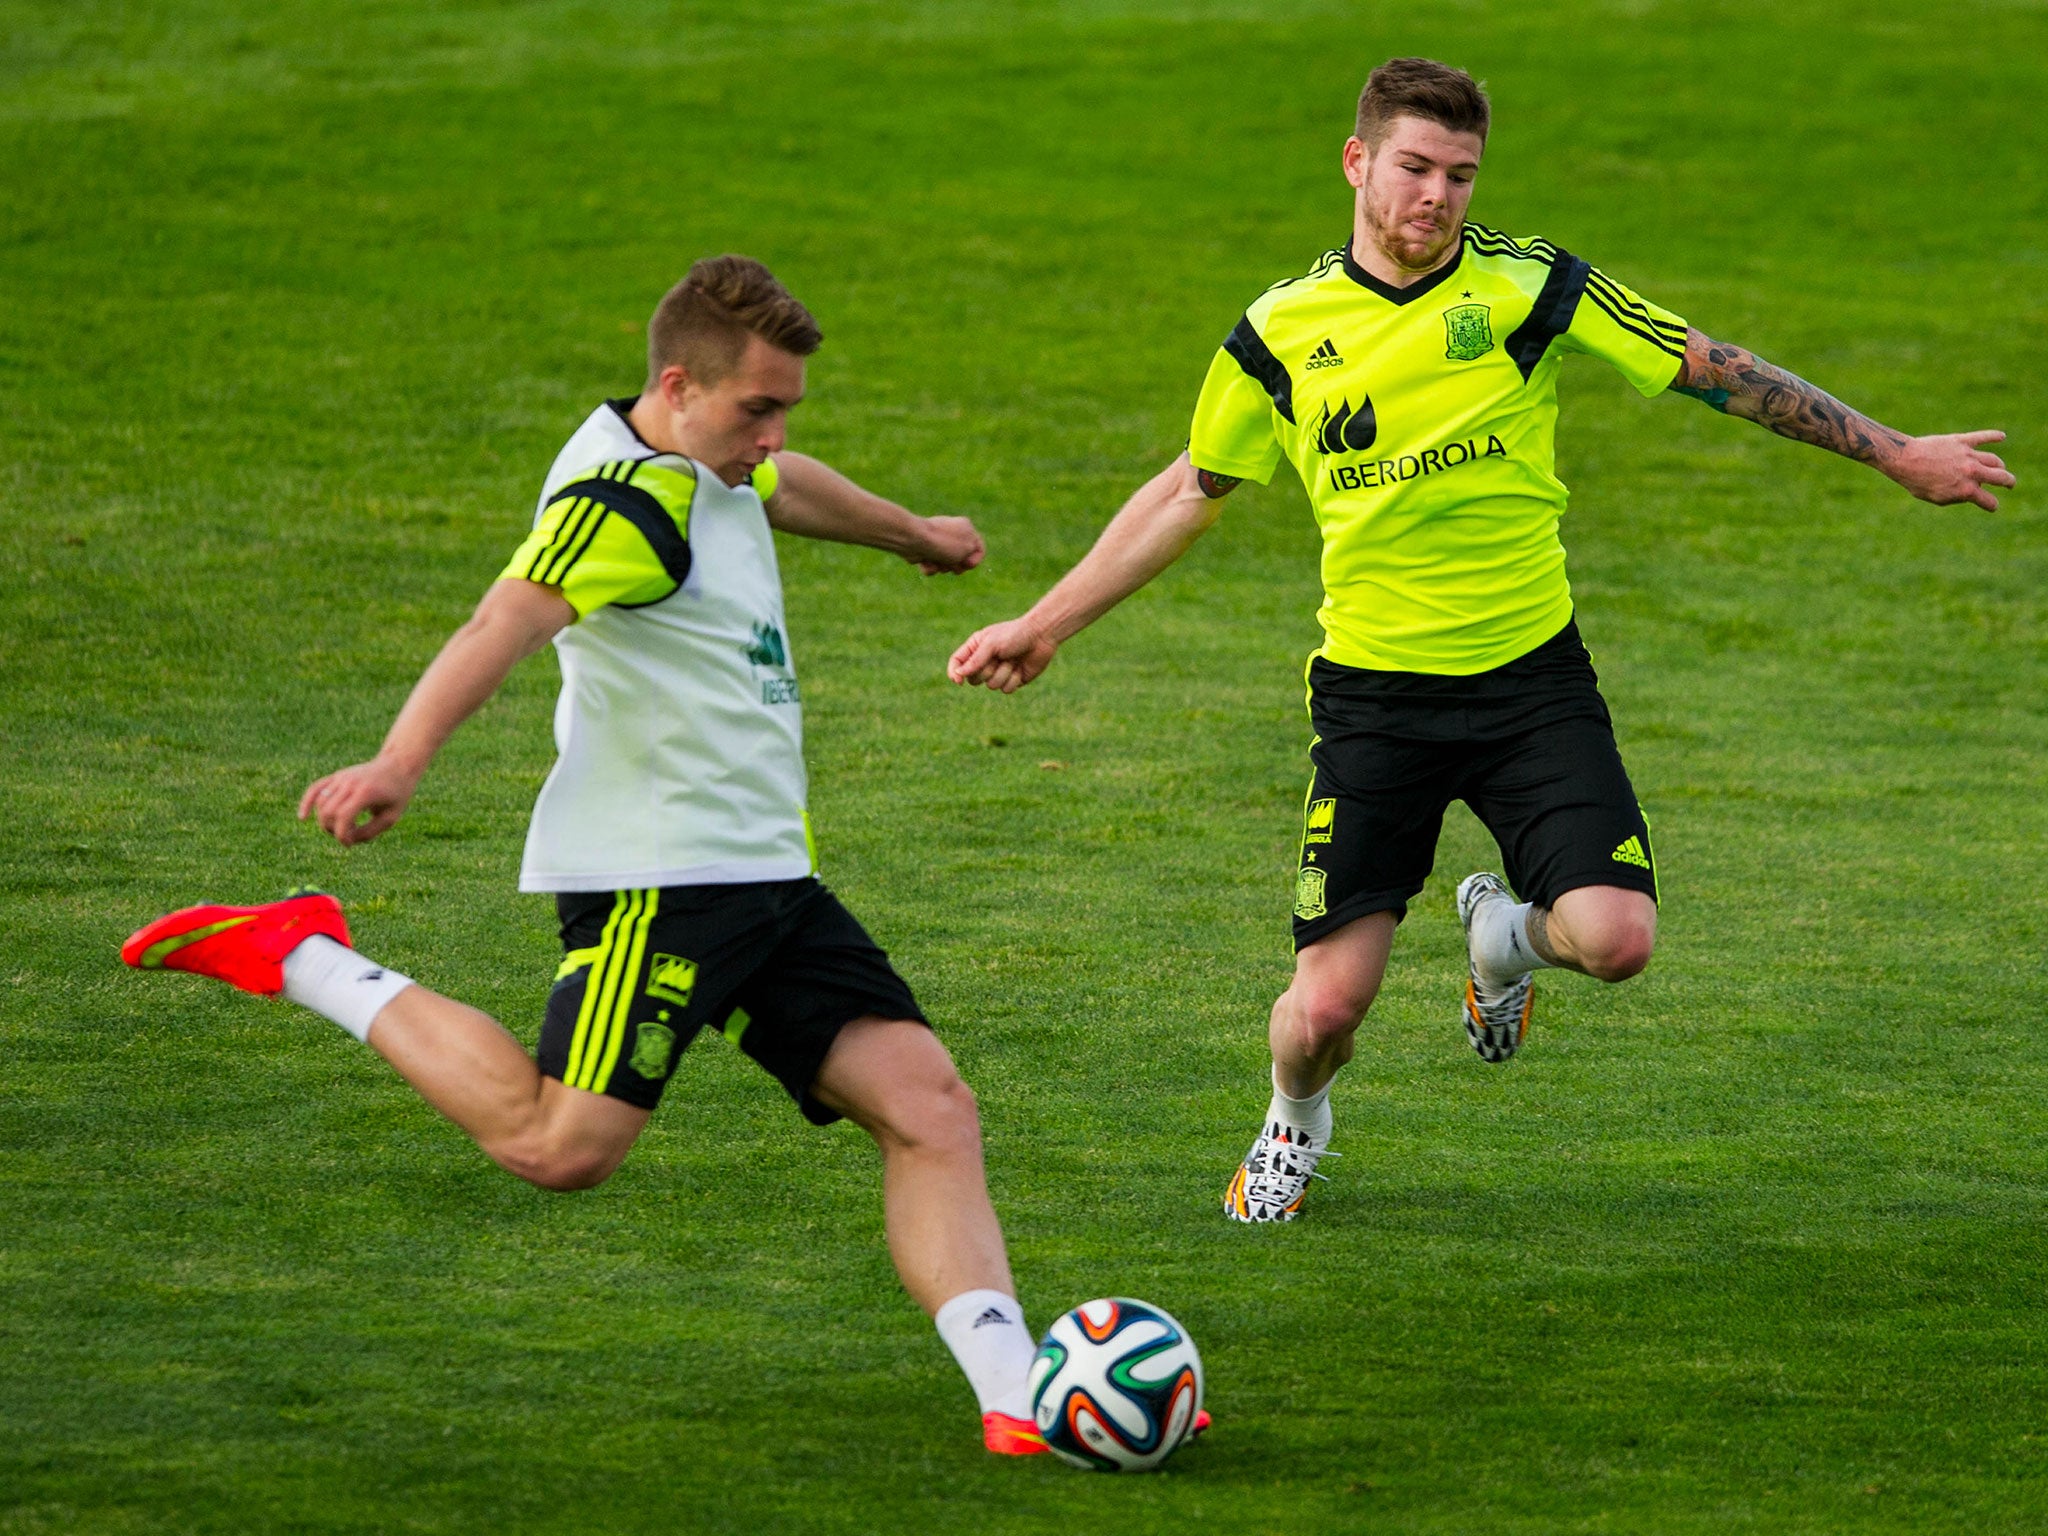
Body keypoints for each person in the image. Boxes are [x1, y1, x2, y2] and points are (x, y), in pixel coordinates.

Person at [948, 59, 2015, 1225]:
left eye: (1459, 174)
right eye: (1413, 167)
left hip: (1529, 689)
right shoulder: (1279, 333)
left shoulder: (1532, 288)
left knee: (1615, 940)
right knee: (1322, 1016)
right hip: (1373, 708)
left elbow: (1713, 369)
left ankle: (1498, 939)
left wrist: (1894, 451)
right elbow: (1187, 489)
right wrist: (1042, 624)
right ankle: (1293, 1122)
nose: (1436, 197)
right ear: (1356, 163)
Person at [124, 255, 1054, 1454]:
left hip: (765, 875)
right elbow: (502, 620)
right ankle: (301, 953)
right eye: (754, 409)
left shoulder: (709, 460)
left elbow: (775, 487)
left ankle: (1015, 1395)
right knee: (557, 1148)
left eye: (786, 409)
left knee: (930, 1106)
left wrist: (912, 534)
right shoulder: (620, 504)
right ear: (677, 385)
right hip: (657, 882)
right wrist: (397, 765)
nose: (770, 436)